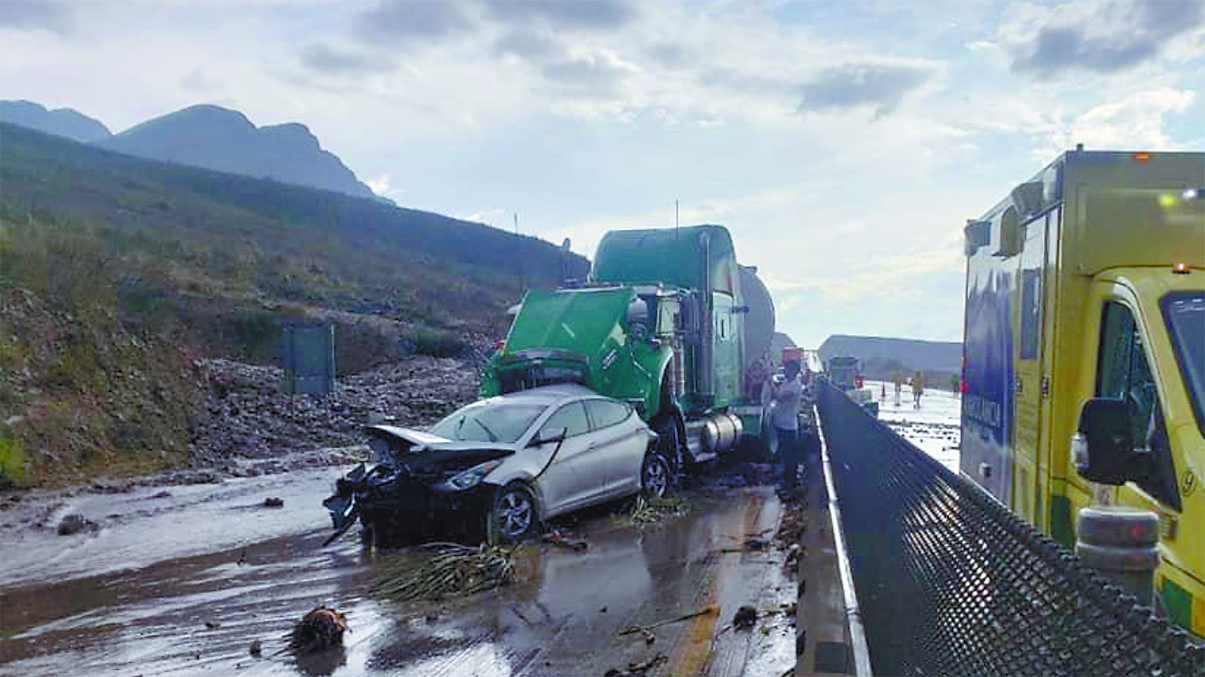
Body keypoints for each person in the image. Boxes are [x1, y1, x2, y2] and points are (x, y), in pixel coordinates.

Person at [768, 360, 805, 491]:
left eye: (787, 369)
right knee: (785, 454)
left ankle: (791, 483)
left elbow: (779, 397)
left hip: (788, 426)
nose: (784, 370)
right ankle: (786, 481)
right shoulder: (786, 382)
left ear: (794, 371)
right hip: (780, 424)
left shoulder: (795, 386)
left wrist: (770, 383)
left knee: (790, 456)